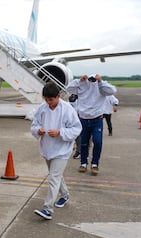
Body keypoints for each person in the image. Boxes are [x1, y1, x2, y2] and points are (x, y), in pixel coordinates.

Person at [31, 81, 82, 220]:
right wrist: (38, 130)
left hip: (62, 150)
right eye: (46, 99)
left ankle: (47, 209)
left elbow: (77, 129)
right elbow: (34, 125)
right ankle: (65, 195)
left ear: (58, 96)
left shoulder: (67, 109)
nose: (48, 102)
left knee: (53, 177)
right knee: (56, 175)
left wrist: (60, 132)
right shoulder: (42, 108)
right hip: (47, 148)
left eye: (51, 99)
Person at [66, 74, 117, 176]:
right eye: (90, 79)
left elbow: (112, 90)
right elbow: (69, 89)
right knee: (83, 142)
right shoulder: (82, 86)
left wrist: (100, 81)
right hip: (83, 119)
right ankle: (83, 163)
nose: (91, 81)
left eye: (93, 80)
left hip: (97, 119)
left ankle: (95, 164)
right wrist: (79, 81)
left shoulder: (101, 88)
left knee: (97, 142)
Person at [69, 93, 81, 159]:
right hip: (75, 119)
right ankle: (78, 150)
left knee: (80, 136)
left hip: (83, 117)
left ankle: (79, 151)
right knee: (77, 136)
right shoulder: (73, 99)